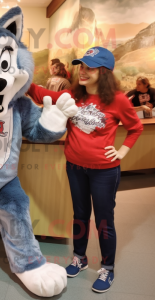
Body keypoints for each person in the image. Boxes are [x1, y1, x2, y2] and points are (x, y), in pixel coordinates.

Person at [28, 47, 143, 293]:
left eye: (90, 67)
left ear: (104, 72)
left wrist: (122, 151)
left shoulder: (118, 100)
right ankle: (79, 258)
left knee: (103, 220)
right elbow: (40, 93)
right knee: (79, 216)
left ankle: (108, 267)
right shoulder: (72, 95)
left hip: (104, 171)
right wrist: (21, 79)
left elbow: (135, 128)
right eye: (81, 66)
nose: (83, 71)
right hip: (75, 167)